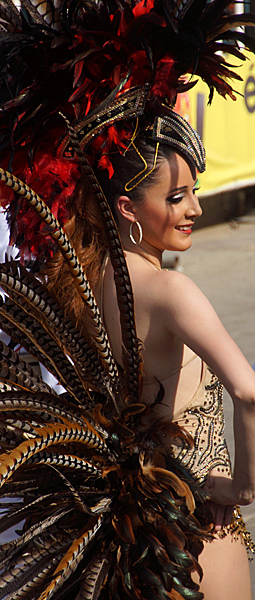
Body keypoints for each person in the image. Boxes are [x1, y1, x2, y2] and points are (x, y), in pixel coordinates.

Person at [0, 2, 255, 600]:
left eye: (196, 191)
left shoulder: (81, 290)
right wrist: (240, 487)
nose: (194, 209)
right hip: (195, 527)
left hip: (129, 542)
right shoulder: (172, 292)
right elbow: (248, 389)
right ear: (126, 208)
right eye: (177, 198)